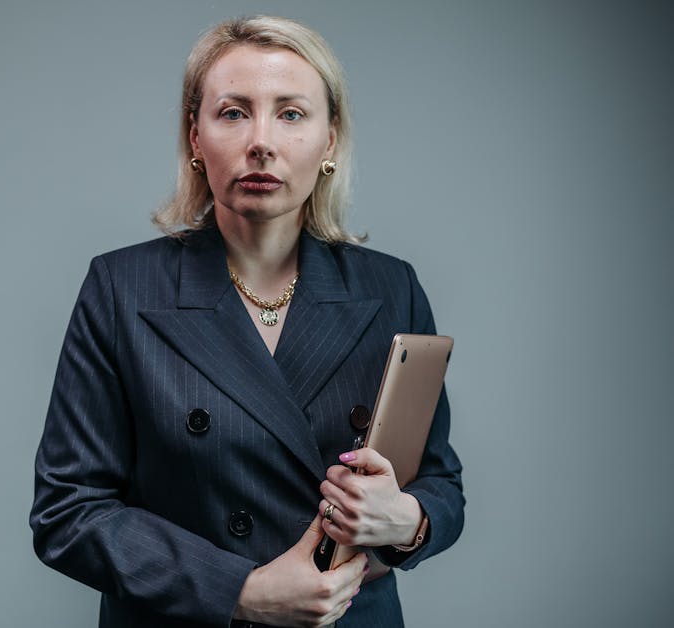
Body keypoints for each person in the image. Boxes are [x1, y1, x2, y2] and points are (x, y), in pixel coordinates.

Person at [30, 15, 464, 628]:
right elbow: (67, 511)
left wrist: (407, 522)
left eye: (291, 114)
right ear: (195, 138)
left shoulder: (390, 287)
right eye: (234, 112)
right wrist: (242, 590)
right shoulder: (121, 288)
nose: (261, 140)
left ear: (330, 139)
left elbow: (441, 481)